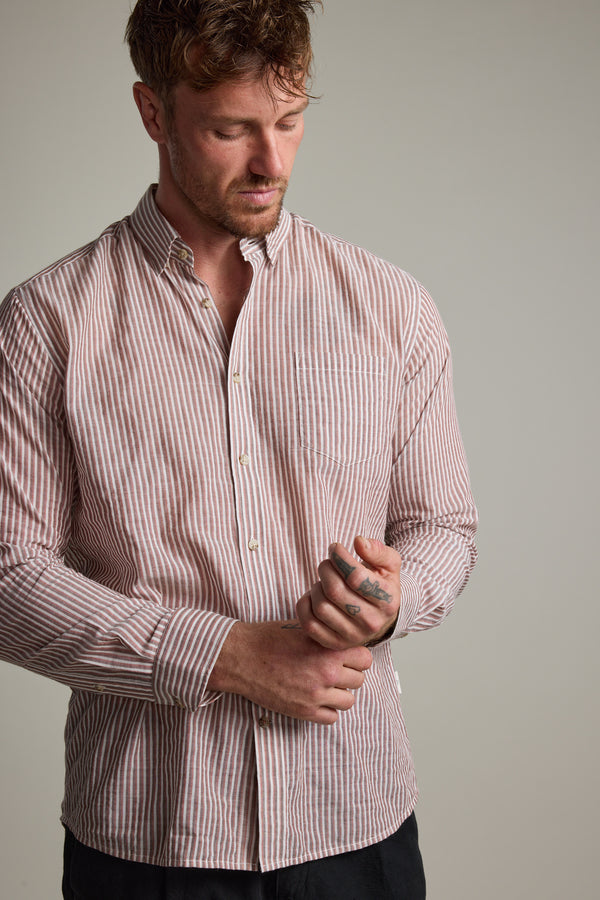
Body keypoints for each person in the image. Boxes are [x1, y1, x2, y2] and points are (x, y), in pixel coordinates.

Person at [0, 1, 477, 897]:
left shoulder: (391, 308)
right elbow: (5, 575)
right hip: (149, 836)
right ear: (153, 113)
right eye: (231, 129)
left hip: (355, 818)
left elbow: (443, 524)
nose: (272, 163)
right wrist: (224, 654)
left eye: (290, 122)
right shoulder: (47, 323)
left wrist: (393, 598)